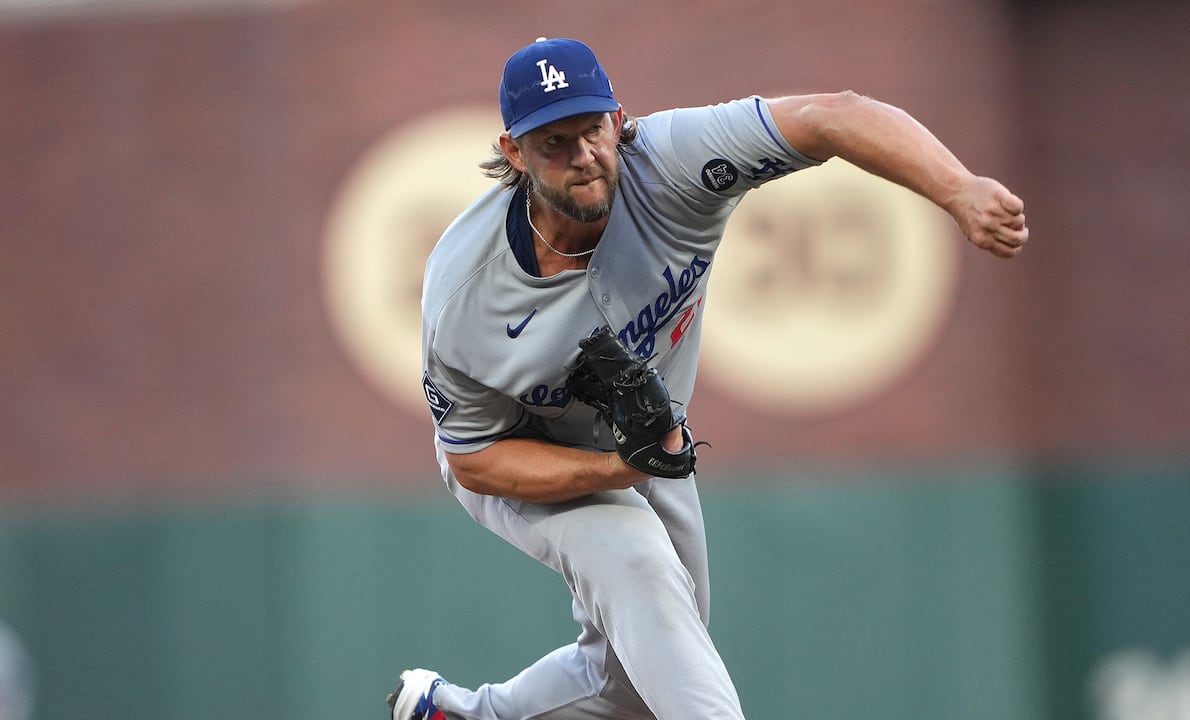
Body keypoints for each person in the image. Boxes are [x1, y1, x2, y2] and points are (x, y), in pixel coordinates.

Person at [388, 36, 1028, 720]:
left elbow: (832, 116)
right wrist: (612, 472)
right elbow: (476, 460)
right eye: (554, 143)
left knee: (637, 680)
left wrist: (958, 188)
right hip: (520, 453)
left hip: (650, 444)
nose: (583, 156)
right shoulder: (465, 291)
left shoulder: (671, 167)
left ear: (618, 118)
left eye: (592, 130)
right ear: (514, 152)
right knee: (634, 557)